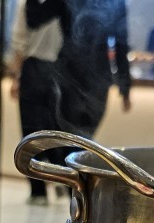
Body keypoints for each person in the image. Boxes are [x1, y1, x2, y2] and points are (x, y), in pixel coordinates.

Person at [26, 0, 131, 142]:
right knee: (76, 139)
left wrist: (125, 87)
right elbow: (121, 44)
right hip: (83, 76)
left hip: (78, 75)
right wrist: (125, 88)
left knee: (73, 140)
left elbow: (34, 19)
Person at [9, 0, 64, 204]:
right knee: (52, 130)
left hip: (31, 70)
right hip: (55, 72)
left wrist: (15, 76)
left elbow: (19, 41)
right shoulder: (58, 5)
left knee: (31, 134)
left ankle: (38, 191)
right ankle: (60, 179)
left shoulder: (26, 4)